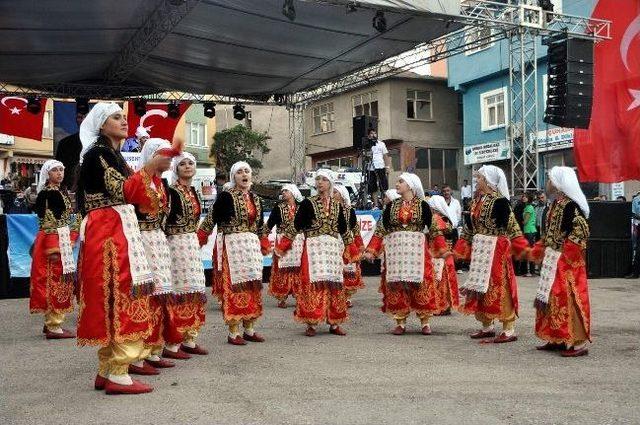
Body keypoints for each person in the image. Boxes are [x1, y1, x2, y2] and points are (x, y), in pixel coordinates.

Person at [76, 102, 155, 395]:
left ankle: (107, 367)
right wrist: (150, 168)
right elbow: (126, 191)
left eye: (124, 117)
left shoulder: (108, 154)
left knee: (110, 294)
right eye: (116, 117)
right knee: (121, 289)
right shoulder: (99, 154)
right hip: (110, 226)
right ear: (101, 124)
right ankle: (119, 373)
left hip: (111, 224)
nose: (124, 121)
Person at [128, 138, 189, 372]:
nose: (170, 158)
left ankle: (153, 349)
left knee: (161, 294)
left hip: (158, 241)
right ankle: (137, 355)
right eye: (165, 154)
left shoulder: (161, 184)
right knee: (146, 296)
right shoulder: (138, 180)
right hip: (141, 241)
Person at [275, 170, 359, 337]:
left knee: (334, 283)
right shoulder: (308, 203)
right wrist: (283, 245)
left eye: (324, 179)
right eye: (318, 179)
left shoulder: (337, 206)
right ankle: (311, 322)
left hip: (333, 249)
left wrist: (353, 250)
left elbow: (344, 229)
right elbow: (295, 225)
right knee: (311, 282)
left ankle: (334, 322)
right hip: (313, 248)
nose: (320, 182)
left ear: (330, 183)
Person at [453, 165, 530, 343]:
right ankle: (487, 325)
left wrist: (522, 247)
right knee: (481, 285)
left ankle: (509, 328)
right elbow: (468, 229)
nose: (476, 180)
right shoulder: (476, 201)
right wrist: (460, 248)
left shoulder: (500, 201)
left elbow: (512, 226)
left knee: (499, 284)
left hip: (497, 248)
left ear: (488, 181)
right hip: (481, 249)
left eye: (479, 178)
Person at [363, 173, 446, 335]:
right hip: (396, 254)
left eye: (401, 181)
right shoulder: (391, 206)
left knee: (422, 284)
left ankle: (425, 321)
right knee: (397, 285)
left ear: (410, 186)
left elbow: (434, 229)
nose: (397, 184)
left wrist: (442, 250)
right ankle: (400, 321)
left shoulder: (423, 205)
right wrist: (372, 250)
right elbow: (380, 230)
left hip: (417, 253)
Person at [198, 161, 268, 346]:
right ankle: (233, 332)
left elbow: (260, 226)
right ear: (233, 177)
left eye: (247, 171)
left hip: (251, 247)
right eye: (239, 172)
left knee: (252, 286)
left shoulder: (256, 199)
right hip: (233, 245)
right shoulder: (226, 197)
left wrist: (264, 242)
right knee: (235, 286)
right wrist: (201, 237)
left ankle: (250, 328)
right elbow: (212, 217)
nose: (244, 175)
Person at [528, 166, 591, 357]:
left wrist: (565, 255)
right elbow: (549, 234)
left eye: (549, 179)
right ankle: (556, 337)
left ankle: (576, 342)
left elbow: (580, 233)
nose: (547, 182)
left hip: (567, 263)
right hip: (553, 260)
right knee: (550, 297)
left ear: (558, 183)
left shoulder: (571, 206)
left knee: (569, 299)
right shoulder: (555, 204)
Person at [29, 160, 79, 339]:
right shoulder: (47, 194)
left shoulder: (59, 192)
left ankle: (52, 321)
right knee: (54, 278)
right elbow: (48, 222)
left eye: (61, 170)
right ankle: (54, 325)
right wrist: (54, 246)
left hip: (61, 237)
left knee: (59, 278)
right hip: (53, 239)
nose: (59, 173)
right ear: (47, 174)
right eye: (55, 170)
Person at [165, 152, 209, 355]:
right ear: (175, 169)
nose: (187, 166)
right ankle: (173, 342)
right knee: (179, 289)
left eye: (190, 163)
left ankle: (190, 338)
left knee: (194, 288)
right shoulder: (171, 191)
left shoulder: (195, 192)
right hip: (175, 243)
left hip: (191, 244)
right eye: (182, 164)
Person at [262, 184, 304, 309]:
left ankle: (299, 295)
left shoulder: (301, 208)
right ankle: (282, 297)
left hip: (299, 241)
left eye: (286, 191)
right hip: (282, 241)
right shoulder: (278, 208)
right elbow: (269, 225)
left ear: (293, 192)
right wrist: (263, 237)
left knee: (299, 268)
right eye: (282, 191)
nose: (283, 193)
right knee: (282, 269)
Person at [427, 195, 460, 317]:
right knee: (447, 280)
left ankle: (439, 306)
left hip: (438, 254)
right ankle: (446, 306)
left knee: (438, 280)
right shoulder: (446, 219)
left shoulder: (435, 219)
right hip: (447, 254)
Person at [334, 184, 365, 308]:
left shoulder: (349, 210)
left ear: (342, 195)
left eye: (335, 192)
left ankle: (346, 297)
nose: (332, 194)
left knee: (347, 268)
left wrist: (359, 246)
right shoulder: (328, 209)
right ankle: (335, 296)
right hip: (333, 243)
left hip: (346, 242)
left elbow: (355, 229)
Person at [55, 111, 86, 190]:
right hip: (70, 189)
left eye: (85, 117)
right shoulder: (64, 143)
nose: (83, 120)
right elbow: (59, 168)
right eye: (79, 117)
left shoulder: (100, 143)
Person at [366, 129, 390, 208]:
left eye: (375, 133)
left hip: (380, 167)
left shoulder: (381, 144)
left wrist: (387, 167)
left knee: (383, 186)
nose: (373, 135)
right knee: (373, 187)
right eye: (371, 133)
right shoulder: (366, 145)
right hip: (370, 168)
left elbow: (385, 156)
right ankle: (376, 205)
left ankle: (385, 204)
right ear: (368, 135)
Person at [522, 193, 537, 277]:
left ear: (529, 198)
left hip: (529, 230)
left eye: (525, 197)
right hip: (528, 231)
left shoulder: (529, 208)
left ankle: (531, 271)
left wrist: (523, 222)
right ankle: (531, 271)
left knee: (529, 250)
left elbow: (526, 220)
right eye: (523, 196)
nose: (523, 198)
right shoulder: (527, 207)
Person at [626, 192, 640, 279]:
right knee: (638, 251)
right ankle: (635, 273)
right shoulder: (636, 199)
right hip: (639, 226)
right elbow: (633, 213)